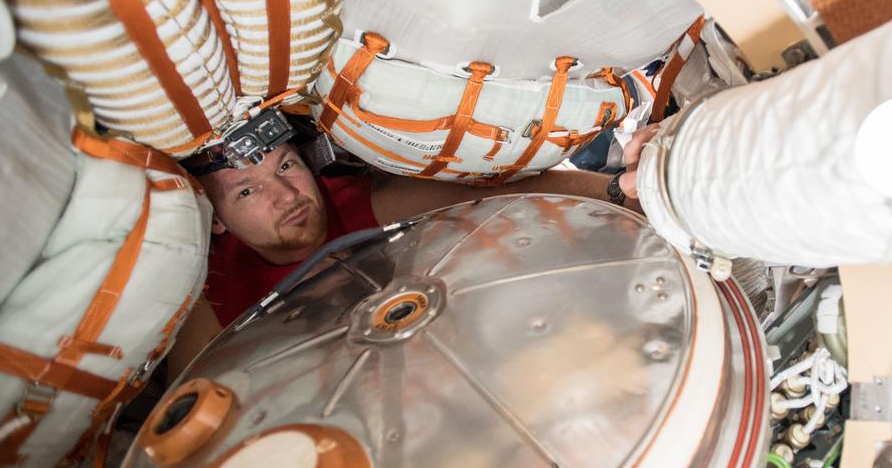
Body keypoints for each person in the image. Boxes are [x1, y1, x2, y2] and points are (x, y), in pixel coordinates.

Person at [166, 138, 648, 379]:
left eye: (286, 166)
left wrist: (625, 193)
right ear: (217, 219)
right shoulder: (209, 293)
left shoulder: (356, 203)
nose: (286, 195)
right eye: (248, 190)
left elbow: (515, 192)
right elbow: (200, 404)